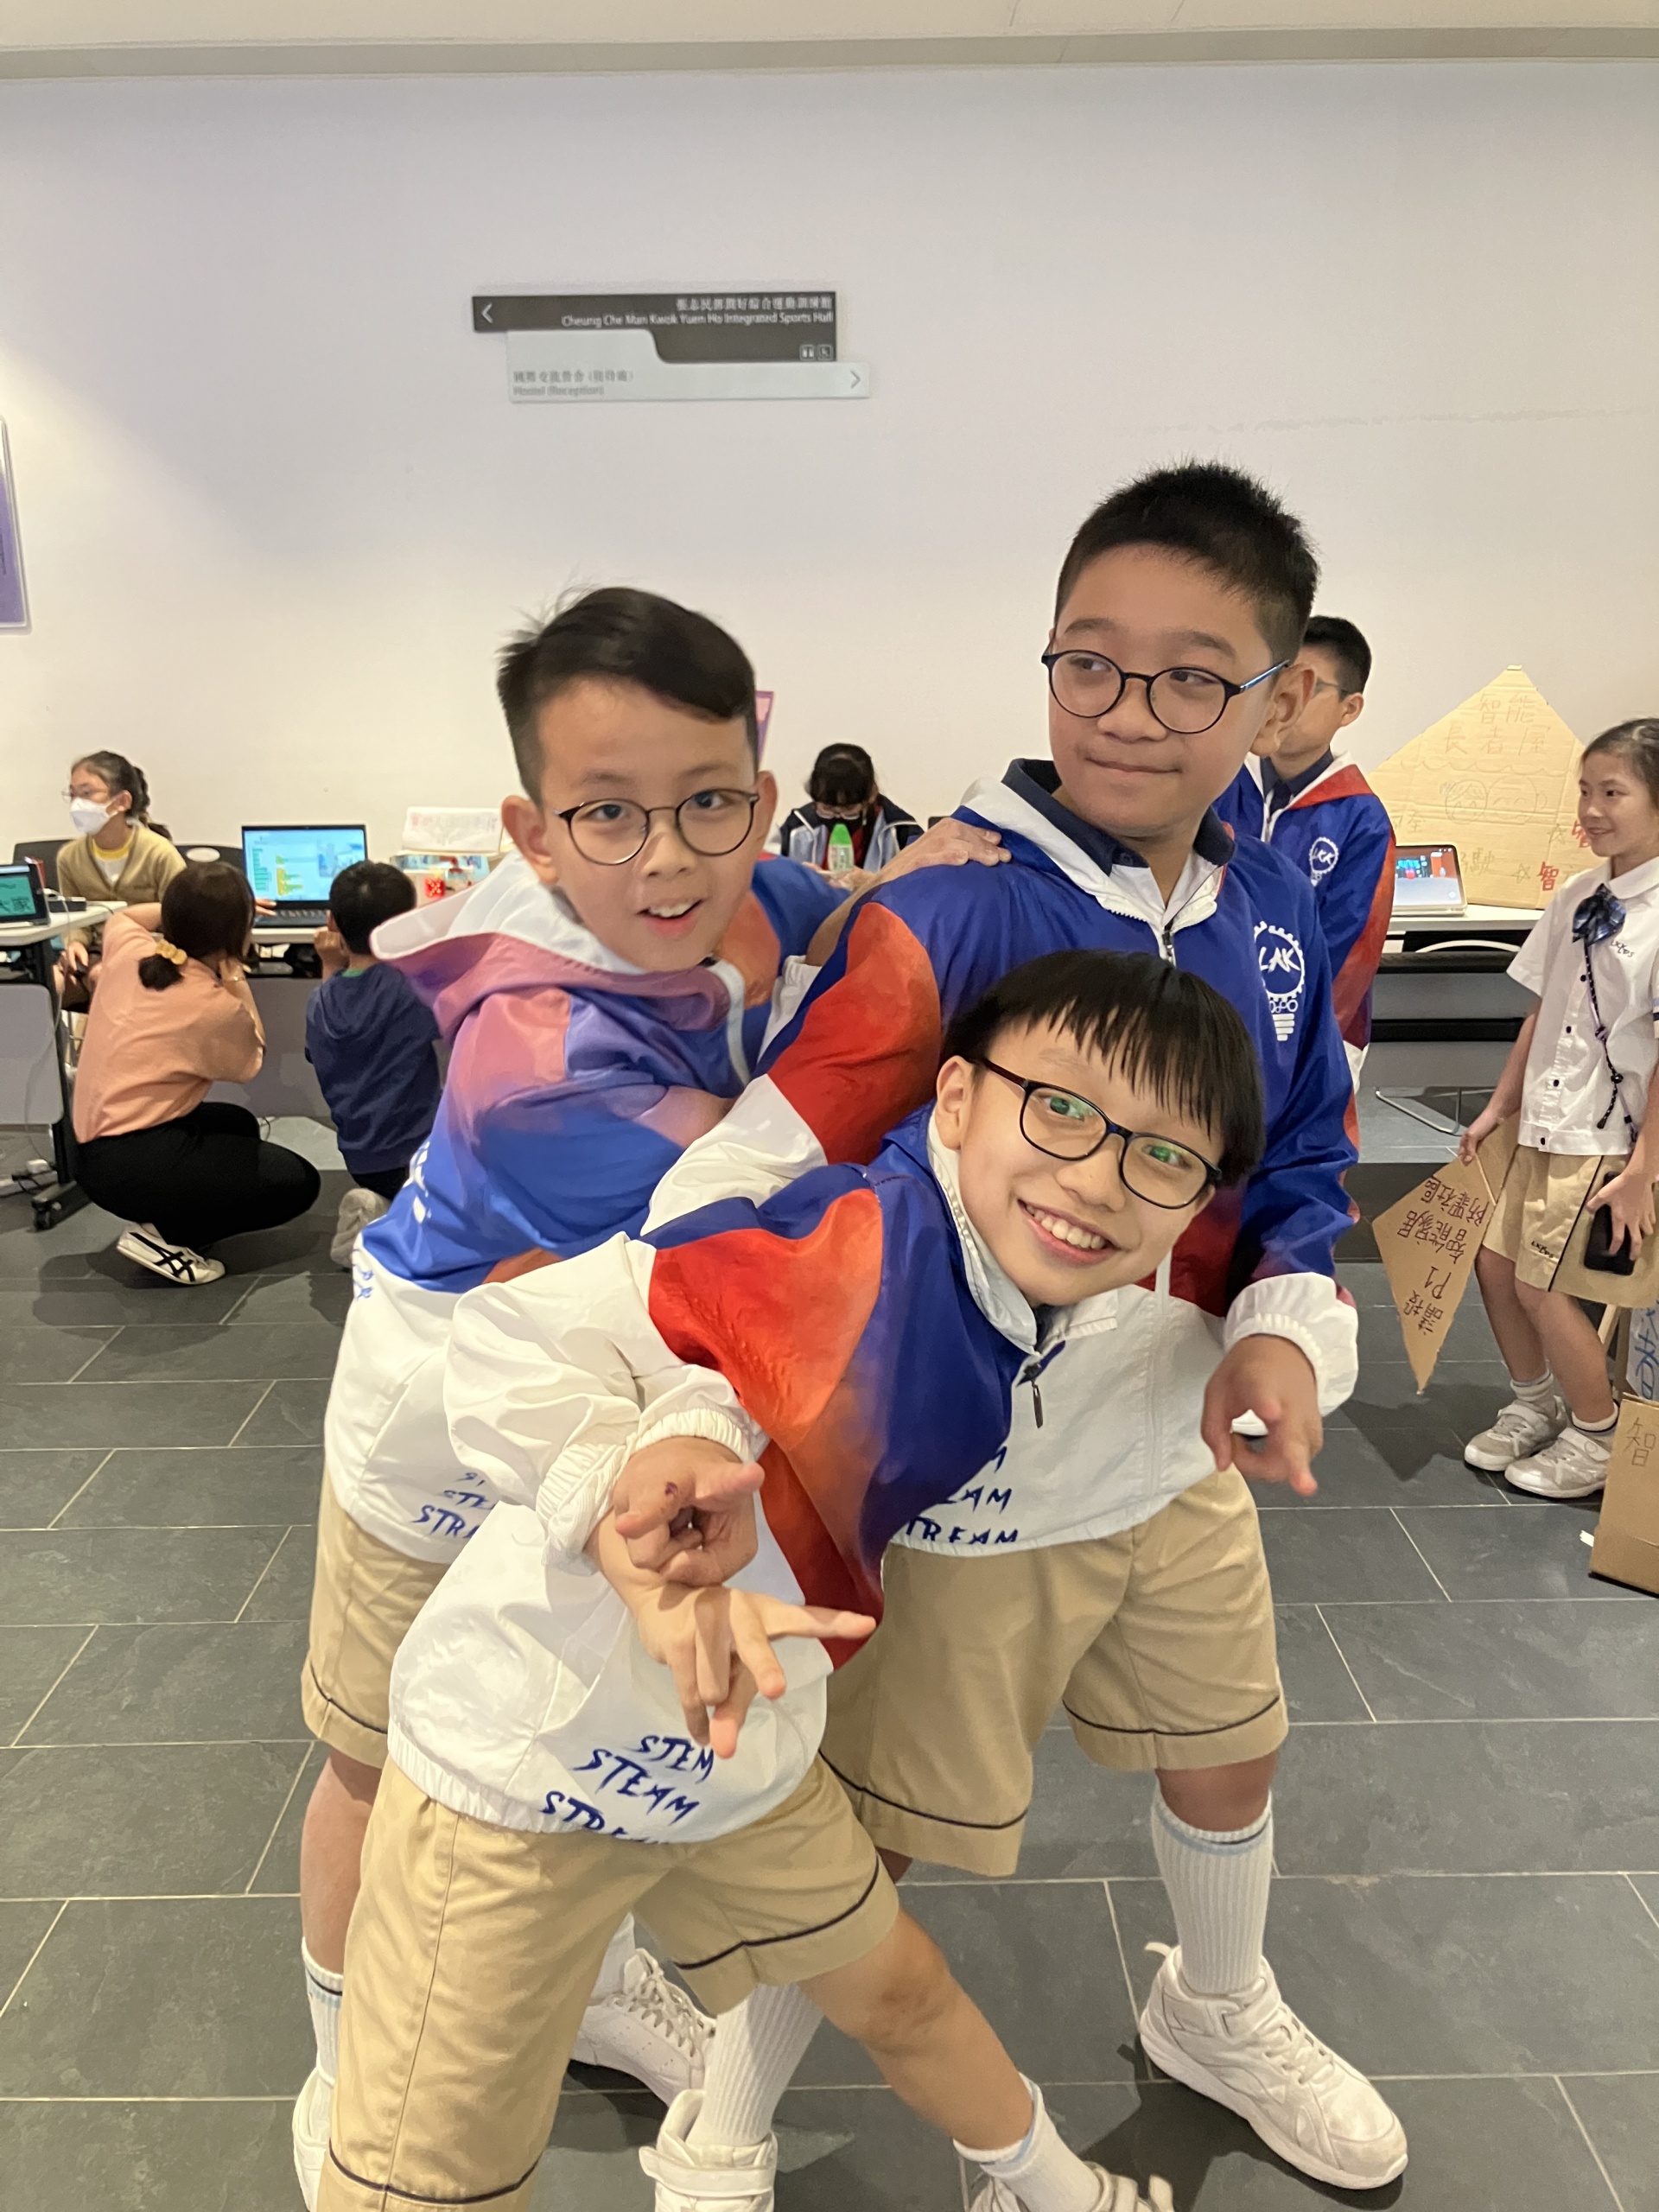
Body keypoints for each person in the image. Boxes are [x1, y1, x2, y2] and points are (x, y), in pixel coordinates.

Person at [641, 462, 1408, 2192]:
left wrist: (1283, 1329)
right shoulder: (953, 907)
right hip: (959, 1494)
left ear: (1276, 694)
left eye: (1192, 676)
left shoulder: (1273, 913)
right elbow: (739, 1183)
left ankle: (1220, 2002)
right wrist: (764, 1386)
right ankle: (724, 2113)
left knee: (1230, 1743)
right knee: (872, 1844)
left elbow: (1303, 1149)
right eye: (1090, 662)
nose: (1130, 711)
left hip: (1178, 1459)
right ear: (1049, 659)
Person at [315, 950, 1241, 2212]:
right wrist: (638, 1470)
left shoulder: (1003, 1288)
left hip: (734, 1749)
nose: (1098, 1177)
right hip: (529, 1782)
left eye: (1163, 1156)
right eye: (1063, 1109)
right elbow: (521, 1330)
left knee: (898, 1991)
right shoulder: (855, 1248)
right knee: (431, 2183)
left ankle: (1058, 2191)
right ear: (955, 1098)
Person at [289, 587, 1001, 2202]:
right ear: (534, 833)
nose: (668, 861)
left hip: (621, 1386)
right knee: (378, 1759)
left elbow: (823, 913)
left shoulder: (748, 883)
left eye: (707, 805)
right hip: (446, 1411)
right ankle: (340, 2057)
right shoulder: (535, 1059)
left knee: (568, 1713)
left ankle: (598, 1989)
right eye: (610, 815)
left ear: (762, 795)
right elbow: (758, 1193)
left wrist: (912, 883)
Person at [1459, 718, 1659, 1501]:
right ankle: (1535, 1403)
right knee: (1495, 1264)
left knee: (1545, 1286)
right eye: (1585, 790)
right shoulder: (1578, 893)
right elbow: (1542, 1011)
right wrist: (1498, 1107)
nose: (1591, 809)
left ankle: (1598, 1432)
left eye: (1613, 792)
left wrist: (1642, 1170)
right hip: (1541, 1121)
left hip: (1604, 1136)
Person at [71, 862, 321, 1285]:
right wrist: (234, 973)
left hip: (92, 1146)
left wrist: (188, 914)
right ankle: (165, 1238)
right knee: (298, 1184)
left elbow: (125, 916)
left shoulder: (131, 951)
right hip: (127, 1161)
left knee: (238, 1124)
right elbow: (252, 1053)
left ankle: (170, 1220)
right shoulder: (210, 1006)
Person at [1214, 615, 1395, 1084]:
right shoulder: (1220, 784)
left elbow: (1350, 956)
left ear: (1349, 709)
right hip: (1207, 1023)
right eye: (1278, 682)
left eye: (1309, 689)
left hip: (1309, 1039)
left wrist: (1294, 1046)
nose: (1284, 702)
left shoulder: (1360, 819)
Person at [304, 861, 442, 1265]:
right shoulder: (414, 989)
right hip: (422, 1156)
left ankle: (382, 1210)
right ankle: (394, 1221)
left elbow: (324, 1040)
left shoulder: (320, 1002)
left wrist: (330, 965)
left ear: (332, 922)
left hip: (362, 1161)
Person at [55, 751, 184, 1000]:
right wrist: (75, 943)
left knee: (103, 976)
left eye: (87, 793)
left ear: (122, 801)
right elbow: (75, 919)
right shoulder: (69, 857)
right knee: (50, 984)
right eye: (72, 795)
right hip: (97, 953)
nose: (77, 804)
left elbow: (180, 914)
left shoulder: (159, 853)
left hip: (152, 955)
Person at [776, 742, 919, 878]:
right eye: (827, 808)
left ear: (871, 795)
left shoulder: (901, 832)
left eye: (849, 809)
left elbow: (922, 884)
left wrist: (870, 883)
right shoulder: (796, 829)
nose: (838, 816)